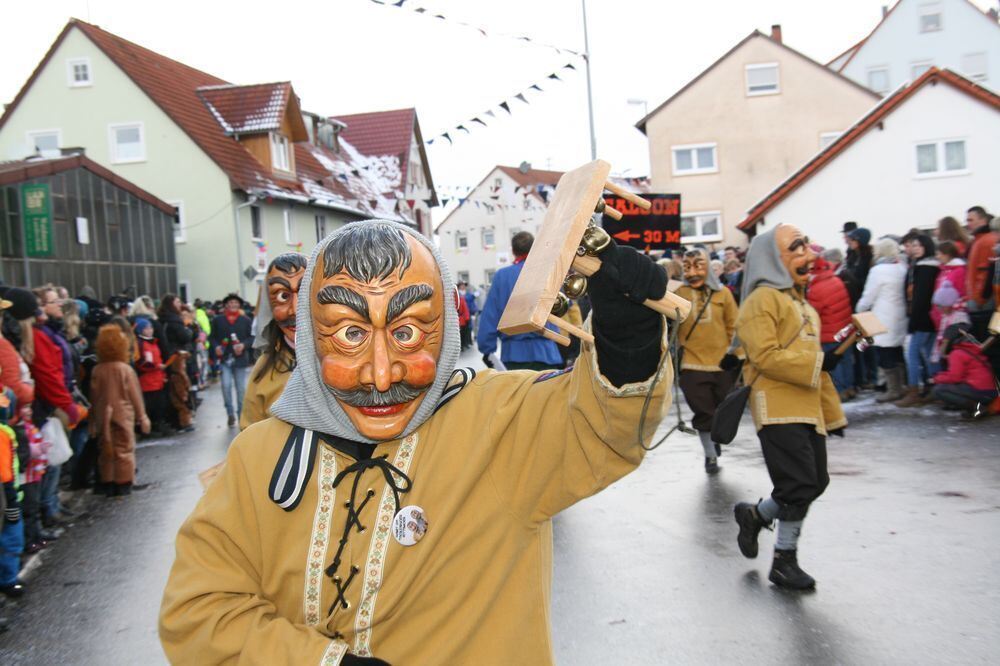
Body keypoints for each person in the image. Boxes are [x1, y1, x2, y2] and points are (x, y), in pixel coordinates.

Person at [160, 219, 672, 663]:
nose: (382, 375)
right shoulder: (258, 456)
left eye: (407, 332)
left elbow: (599, 425)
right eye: (350, 335)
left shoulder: (499, 422)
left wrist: (628, 342)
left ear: (445, 326)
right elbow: (199, 609)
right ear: (311, 335)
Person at [732, 224, 845, 591]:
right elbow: (764, 356)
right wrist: (819, 363)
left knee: (816, 482)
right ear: (773, 259)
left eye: (807, 247)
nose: (809, 256)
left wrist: (833, 415)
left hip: (809, 410)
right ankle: (784, 560)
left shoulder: (804, 306)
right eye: (797, 249)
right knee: (798, 484)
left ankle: (755, 516)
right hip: (777, 407)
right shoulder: (761, 301)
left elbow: (817, 368)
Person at [675, 248, 739, 473]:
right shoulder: (679, 293)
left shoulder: (724, 294)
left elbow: (734, 326)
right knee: (703, 411)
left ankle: (715, 437)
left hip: (721, 363)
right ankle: (710, 455)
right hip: (692, 364)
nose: (692, 272)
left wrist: (735, 355)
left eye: (698, 266)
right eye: (687, 267)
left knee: (722, 410)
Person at [477, 231, 563, 371]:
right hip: (547, 353)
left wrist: (487, 348)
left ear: (513, 251)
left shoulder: (502, 276)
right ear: (534, 248)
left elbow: (490, 316)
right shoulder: (549, 272)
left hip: (513, 355)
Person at [242, 253, 307, 430]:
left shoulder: (348, 358)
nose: (295, 310)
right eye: (283, 296)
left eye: (304, 294)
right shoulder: (264, 369)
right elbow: (249, 431)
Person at [89, 325, 150, 496]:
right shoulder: (124, 369)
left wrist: (93, 420)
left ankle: (108, 480)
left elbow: (94, 396)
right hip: (123, 413)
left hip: (103, 414)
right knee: (124, 448)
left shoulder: (97, 370)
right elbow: (135, 394)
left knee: (106, 448)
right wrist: (142, 416)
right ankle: (124, 481)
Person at [856, 239, 909, 403]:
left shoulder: (878, 271)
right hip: (900, 316)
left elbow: (869, 296)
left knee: (884, 353)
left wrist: (860, 309)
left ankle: (893, 389)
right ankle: (903, 386)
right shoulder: (902, 267)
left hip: (883, 316)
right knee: (897, 352)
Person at [898, 234, 939, 406]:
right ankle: (936, 388)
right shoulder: (922, 266)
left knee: (913, 353)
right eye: (912, 245)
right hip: (928, 317)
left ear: (926, 247)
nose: (914, 249)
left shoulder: (925, 268)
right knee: (930, 354)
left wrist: (914, 320)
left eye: (918, 245)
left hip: (922, 318)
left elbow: (921, 297)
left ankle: (914, 390)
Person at [807, 252, 854, 401]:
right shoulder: (835, 279)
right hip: (844, 329)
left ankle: (839, 392)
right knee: (846, 360)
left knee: (834, 364)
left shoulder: (816, 288)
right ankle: (849, 387)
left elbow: (812, 313)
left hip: (829, 332)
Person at [931, 323, 998, 414]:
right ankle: (974, 406)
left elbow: (955, 377)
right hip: (991, 392)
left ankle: (977, 408)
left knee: (938, 390)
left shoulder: (957, 353)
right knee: (947, 386)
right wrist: (939, 376)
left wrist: (935, 379)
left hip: (981, 392)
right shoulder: (970, 349)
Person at [210, 294, 254, 427]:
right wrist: (216, 347)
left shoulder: (245, 320)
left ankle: (240, 415)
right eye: (230, 303)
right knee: (226, 385)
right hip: (224, 359)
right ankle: (230, 413)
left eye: (235, 303)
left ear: (239, 305)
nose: (233, 305)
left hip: (240, 360)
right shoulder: (218, 320)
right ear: (226, 305)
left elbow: (251, 337)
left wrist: (243, 345)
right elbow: (212, 338)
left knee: (241, 389)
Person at [965, 206, 997, 339]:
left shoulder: (986, 241)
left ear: (983, 220)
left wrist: (980, 299)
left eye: (971, 220)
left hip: (984, 304)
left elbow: (987, 273)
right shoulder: (978, 241)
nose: (968, 224)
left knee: (987, 343)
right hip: (981, 303)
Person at [134, 318, 169, 436]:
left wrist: (163, 374)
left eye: (150, 328)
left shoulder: (152, 342)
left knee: (159, 405)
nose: (150, 330)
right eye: (146, 328)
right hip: (148, 381)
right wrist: (158, 367)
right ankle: (150, 429)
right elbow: (142, 363)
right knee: (151, 406)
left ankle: (158, 425)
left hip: (157, 379)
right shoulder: (141, 344)